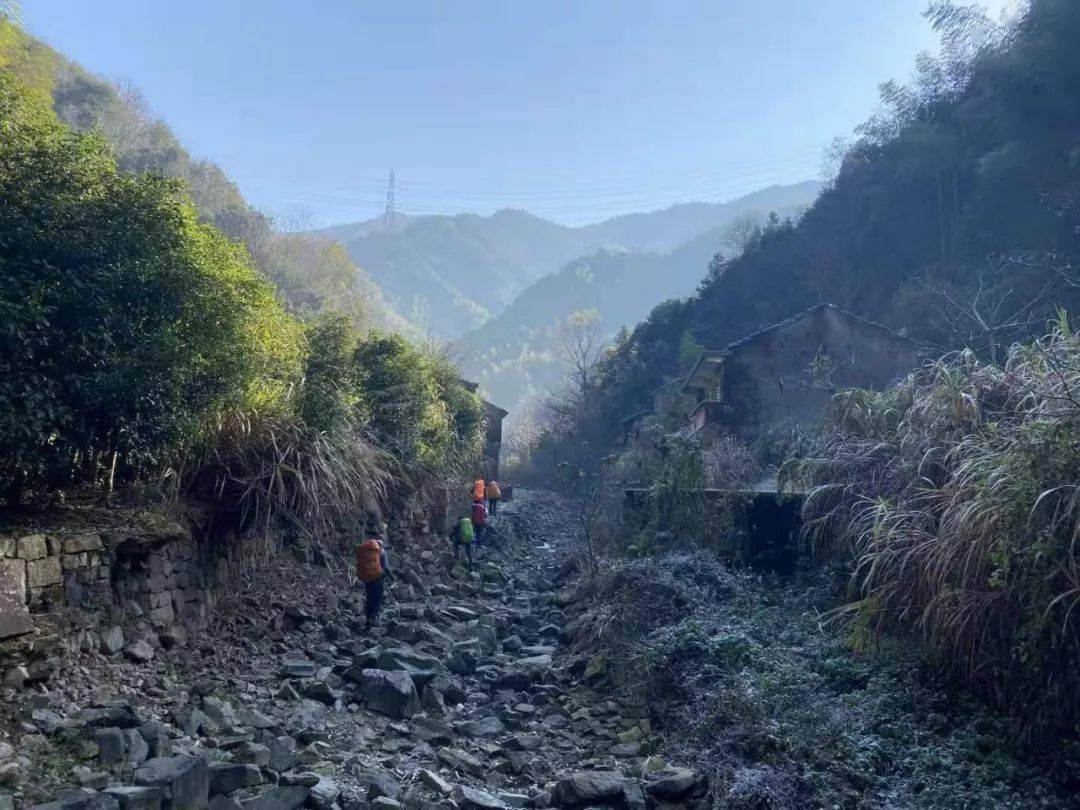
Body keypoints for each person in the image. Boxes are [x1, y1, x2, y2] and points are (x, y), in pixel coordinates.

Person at [355, 535, 390, 629]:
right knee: (377, 600)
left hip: (368, 579)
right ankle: (373, 619)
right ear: (381, 546)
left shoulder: (367, 554)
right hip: (379, 579)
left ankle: (367, 620)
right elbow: (386, 568)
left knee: (369, 599)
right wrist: (391, 577)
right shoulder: (383, 553)